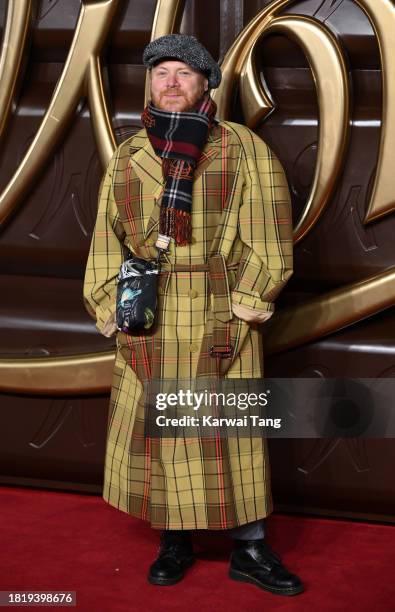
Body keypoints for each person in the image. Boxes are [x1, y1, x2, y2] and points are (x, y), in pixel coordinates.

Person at [83, 34, 302, 596]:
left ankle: (250, 547)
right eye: (161, 73)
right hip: (150, 313)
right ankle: (174, 540)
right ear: (150, 83)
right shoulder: (130, 156)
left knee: (229, 435)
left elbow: (269, 234)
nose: (171, 82)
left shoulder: (242, 148)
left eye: (184, 72)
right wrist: (114, 307)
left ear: (206, 83)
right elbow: (107, 243)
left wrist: (247, 302)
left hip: (219, 309)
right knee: (164, 434)